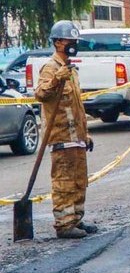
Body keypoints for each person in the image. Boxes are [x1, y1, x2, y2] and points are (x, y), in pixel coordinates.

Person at [34, 20, 96, 239]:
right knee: (64, 182)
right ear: (58, 42)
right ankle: (64, 224)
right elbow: (41, 94)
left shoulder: (71, 69)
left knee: (80, 181)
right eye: (70, 41)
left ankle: (76, 219)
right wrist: (56, 79)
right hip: (61, 136)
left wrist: (85, 134)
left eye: (75, 41)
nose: (73, 44)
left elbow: (77, 106)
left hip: (76, 137)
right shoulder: (51, 68)